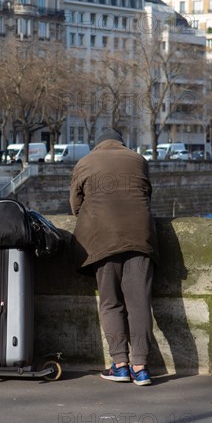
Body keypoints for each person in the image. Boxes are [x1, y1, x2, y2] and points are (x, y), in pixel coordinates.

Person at [70, 128, 158, 386]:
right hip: (140, 238)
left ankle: (120, 365)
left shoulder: (84, 162)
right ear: (121, 143)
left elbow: (76, 206)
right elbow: (147, 196)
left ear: (96, 145)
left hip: (102, 239)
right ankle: (141, 368)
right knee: (140, 302)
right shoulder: (138, 160)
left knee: (110, 303)